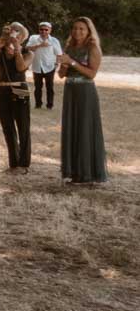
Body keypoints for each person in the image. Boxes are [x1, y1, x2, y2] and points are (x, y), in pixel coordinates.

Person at [58, 17, 106, 185]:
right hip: (70, 91)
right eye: (75, 28)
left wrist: (71, 61)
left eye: (81, 29)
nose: (77, 31)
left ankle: (87, 173)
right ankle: (74, 173)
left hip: (85, 92)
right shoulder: (69, 46)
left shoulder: (93, 48)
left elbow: (92, 73)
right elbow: (61, 75)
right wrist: (63, 65)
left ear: (88, 31)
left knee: (85, 129)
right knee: (72, 128)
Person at [0, 23, 32, 173]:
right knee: (7, 127)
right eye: (10, 30)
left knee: (23, 125)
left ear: (21, 36)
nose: (12, 34)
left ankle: (23, 164)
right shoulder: (1, 52)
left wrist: (17, 50)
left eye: (16, 32)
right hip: (3, 88)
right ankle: (13, 163)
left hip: (20, 88)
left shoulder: (28, 52)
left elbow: (21, 67)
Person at [25, 21, 60, 110]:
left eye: (46, 30)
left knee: (50, 87)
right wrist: (39, 45)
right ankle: (38, 104)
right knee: (37, 87)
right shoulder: (33, 38)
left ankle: (50, 105)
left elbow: (59, 54)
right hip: (37, 66)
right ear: (39, 30)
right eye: (41, 29)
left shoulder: (54, 40)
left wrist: (56, 64)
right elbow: (27, 48)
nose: (43, 31)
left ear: (50, 30)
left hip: (49, 67)